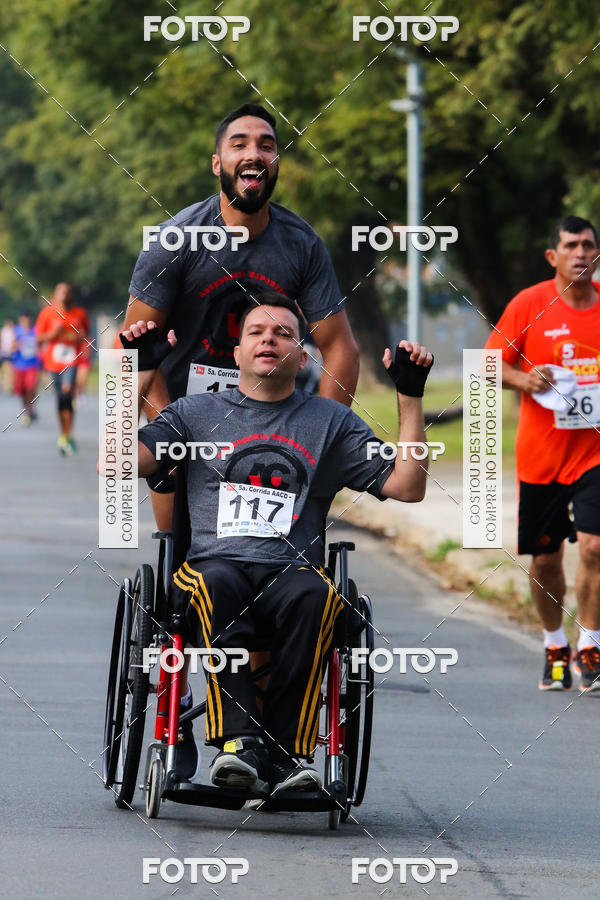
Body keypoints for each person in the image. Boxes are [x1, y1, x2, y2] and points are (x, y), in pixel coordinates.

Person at [125, 292, 433, 795]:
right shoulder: (195, 413)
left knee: (318, 597)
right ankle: (238, 746)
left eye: (284, 333)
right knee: (217, 583)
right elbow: (117, 464)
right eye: (256, 333)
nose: (269, 339)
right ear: (238, 354)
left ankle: (289, 756)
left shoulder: (328, 423)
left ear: (303, 356)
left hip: (292, 572)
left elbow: (408, 486)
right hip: (210, 564)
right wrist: (138, 374)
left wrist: (410, 396)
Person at [123, 101, 359, 528]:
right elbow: (135, 349)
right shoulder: (175, 240)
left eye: (266, 145)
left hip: (274, 418)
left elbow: (341, 349)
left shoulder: (302, 245)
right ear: (218, 163)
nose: (254, 153)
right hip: (185, 412)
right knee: (180, 557)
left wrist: (321, 435)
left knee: (274, 559)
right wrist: (168, 428)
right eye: (239, 144)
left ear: (276, 165)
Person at [486, 215, 600, 692]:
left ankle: (590, 643)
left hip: (594, 454)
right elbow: (490, 364)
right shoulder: (530, 304)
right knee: (547, 558)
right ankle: (555, 643)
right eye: (571, 245)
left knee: (595, 547)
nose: (580, 253)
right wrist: (524, 379)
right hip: (543, 457)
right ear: (553, 256)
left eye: (588, 245)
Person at [35, 283, 91, 455]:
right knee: (61, 399)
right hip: (53, 363)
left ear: (71, 295)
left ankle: (69, 433)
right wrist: (52, 333)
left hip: (72, 362)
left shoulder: (79, 313)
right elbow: (38, 339)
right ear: (56, 294)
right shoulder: (47, 313)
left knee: (68, 393)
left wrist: (80, 338)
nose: (64, 296)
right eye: (61, 292)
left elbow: (86, 335)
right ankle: (63, 434)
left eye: (67, 292)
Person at [11, 312, 41, 425]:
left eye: (27, 320)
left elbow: (41, 344)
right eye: (23, 320)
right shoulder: (16, 331)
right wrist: (17, 345)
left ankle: (30, 409)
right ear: (20, 320)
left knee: (31, 388)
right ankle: (25, 409)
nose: (26, 322)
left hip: (33, 365)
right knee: (21, 390)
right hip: (19, 365)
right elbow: (11, 347)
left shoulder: (36, 330)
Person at [0, 318, 15, 394]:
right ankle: (8, 387)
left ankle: (9, 386)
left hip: (10, 353)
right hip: (6, 353)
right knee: (8, 370)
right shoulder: (5, 331)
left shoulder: (11, 330)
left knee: (9, 371)